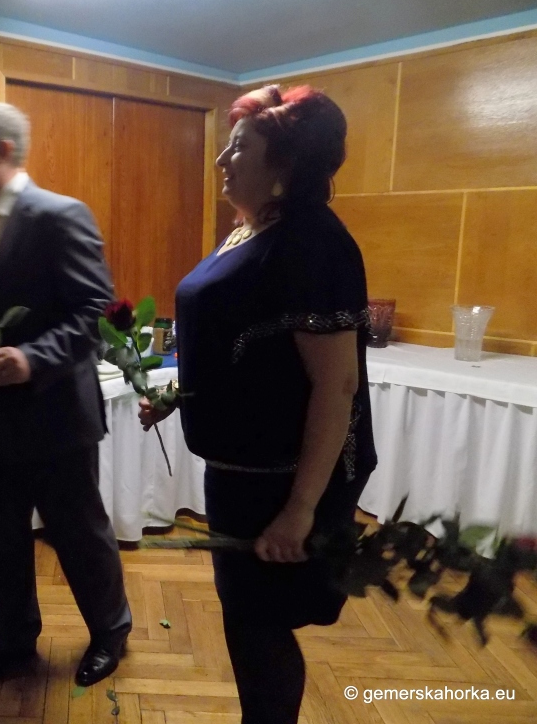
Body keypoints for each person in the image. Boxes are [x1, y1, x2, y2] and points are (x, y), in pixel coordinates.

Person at [139, 85, 377, 724]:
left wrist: (299, 511)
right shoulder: (251, 231)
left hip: (283, 481)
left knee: (259, 622)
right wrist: (176, 395)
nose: (222, 160)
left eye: (240, 147)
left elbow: (337, 387)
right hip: (239, 474)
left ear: (286, 166)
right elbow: (239, 345)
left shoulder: (311, 242)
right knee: (246, 615)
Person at [0, 102, 131, 691]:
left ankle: (111, 631)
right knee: (2, 539)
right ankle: (14, 639)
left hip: (57, 417)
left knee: (79, 535)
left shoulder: (60, 216)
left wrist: (31, 358)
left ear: (2, 150)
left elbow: (95, 311)